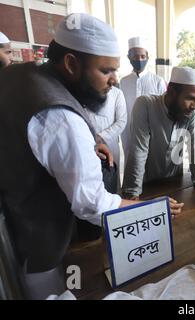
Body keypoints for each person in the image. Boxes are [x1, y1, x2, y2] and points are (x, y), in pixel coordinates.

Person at [0, 13, 183, 299]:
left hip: (13, 220)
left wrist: (93, 140)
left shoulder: (21, 73)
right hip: (36, 248)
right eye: (106, 71)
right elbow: (91, 204)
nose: (114, 81)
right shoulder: (60, 118)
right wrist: (147, 209)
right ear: (71, 63)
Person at [122, 67, 195, 200]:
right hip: (145, 184)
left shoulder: (191, 111)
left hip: (174, 182)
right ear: (171, 92)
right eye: (189, 98)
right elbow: (139, 149)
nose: (194, 106)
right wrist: (133, 193)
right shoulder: (145, 104)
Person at [120, 37, 166, 159]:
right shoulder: (123, 82)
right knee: (132, 166)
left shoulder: (157, 81)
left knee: (152, 168)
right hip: (129, 134)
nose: (139, 60)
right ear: (129, 57)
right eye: (135, 56)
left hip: (153, 134)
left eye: (142, 56)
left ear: (147, 57)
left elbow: (163, 111)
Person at [85, 86, 127, 186]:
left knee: (111, 182)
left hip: (110, 145)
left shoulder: (117, 93)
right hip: (88, 145)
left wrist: (100, 137)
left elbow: (121, 121)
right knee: (92, 184)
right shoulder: (83, 92)